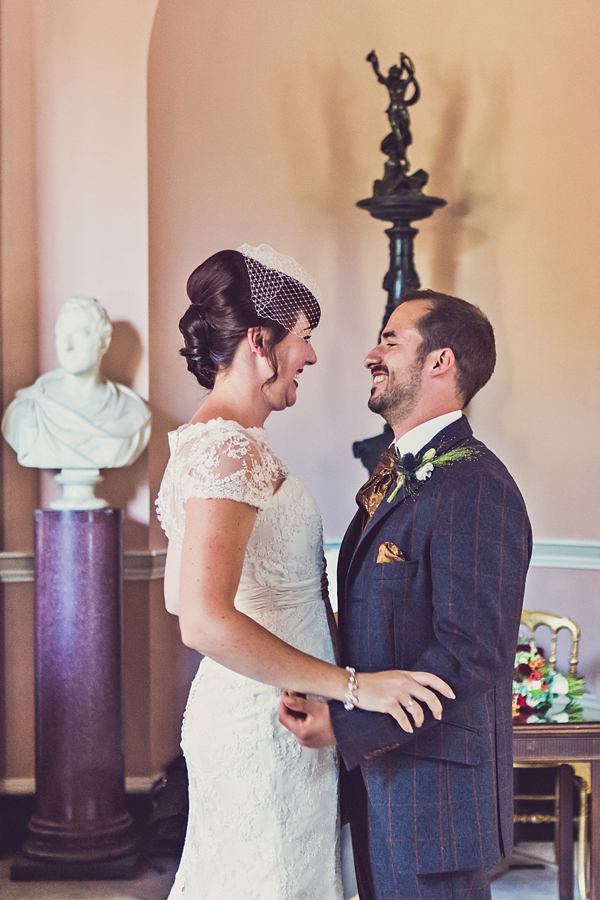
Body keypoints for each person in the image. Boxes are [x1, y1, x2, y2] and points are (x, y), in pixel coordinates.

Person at [155, 248, 454, 900]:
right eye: (305, 339)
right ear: (262, 343)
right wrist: (354, 686)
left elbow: (183, 597)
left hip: (267, 710)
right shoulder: (228, 448)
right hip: (270, 724)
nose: (313, 357)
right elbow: (201, 620)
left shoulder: (214, 441)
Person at [280, 289, 532, 900]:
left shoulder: (475, 486)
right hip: (384, 783)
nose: (372, 353)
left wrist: (345, 725)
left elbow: (469, 654)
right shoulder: (398, 473)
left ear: (440, 362)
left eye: (391, 340)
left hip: (433, 804)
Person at [1, 295, 151, 470]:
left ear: (104, 342)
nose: (66, 345)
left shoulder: (132, 412)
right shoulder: (27, 409)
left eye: (78, 335)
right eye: (61, 335)